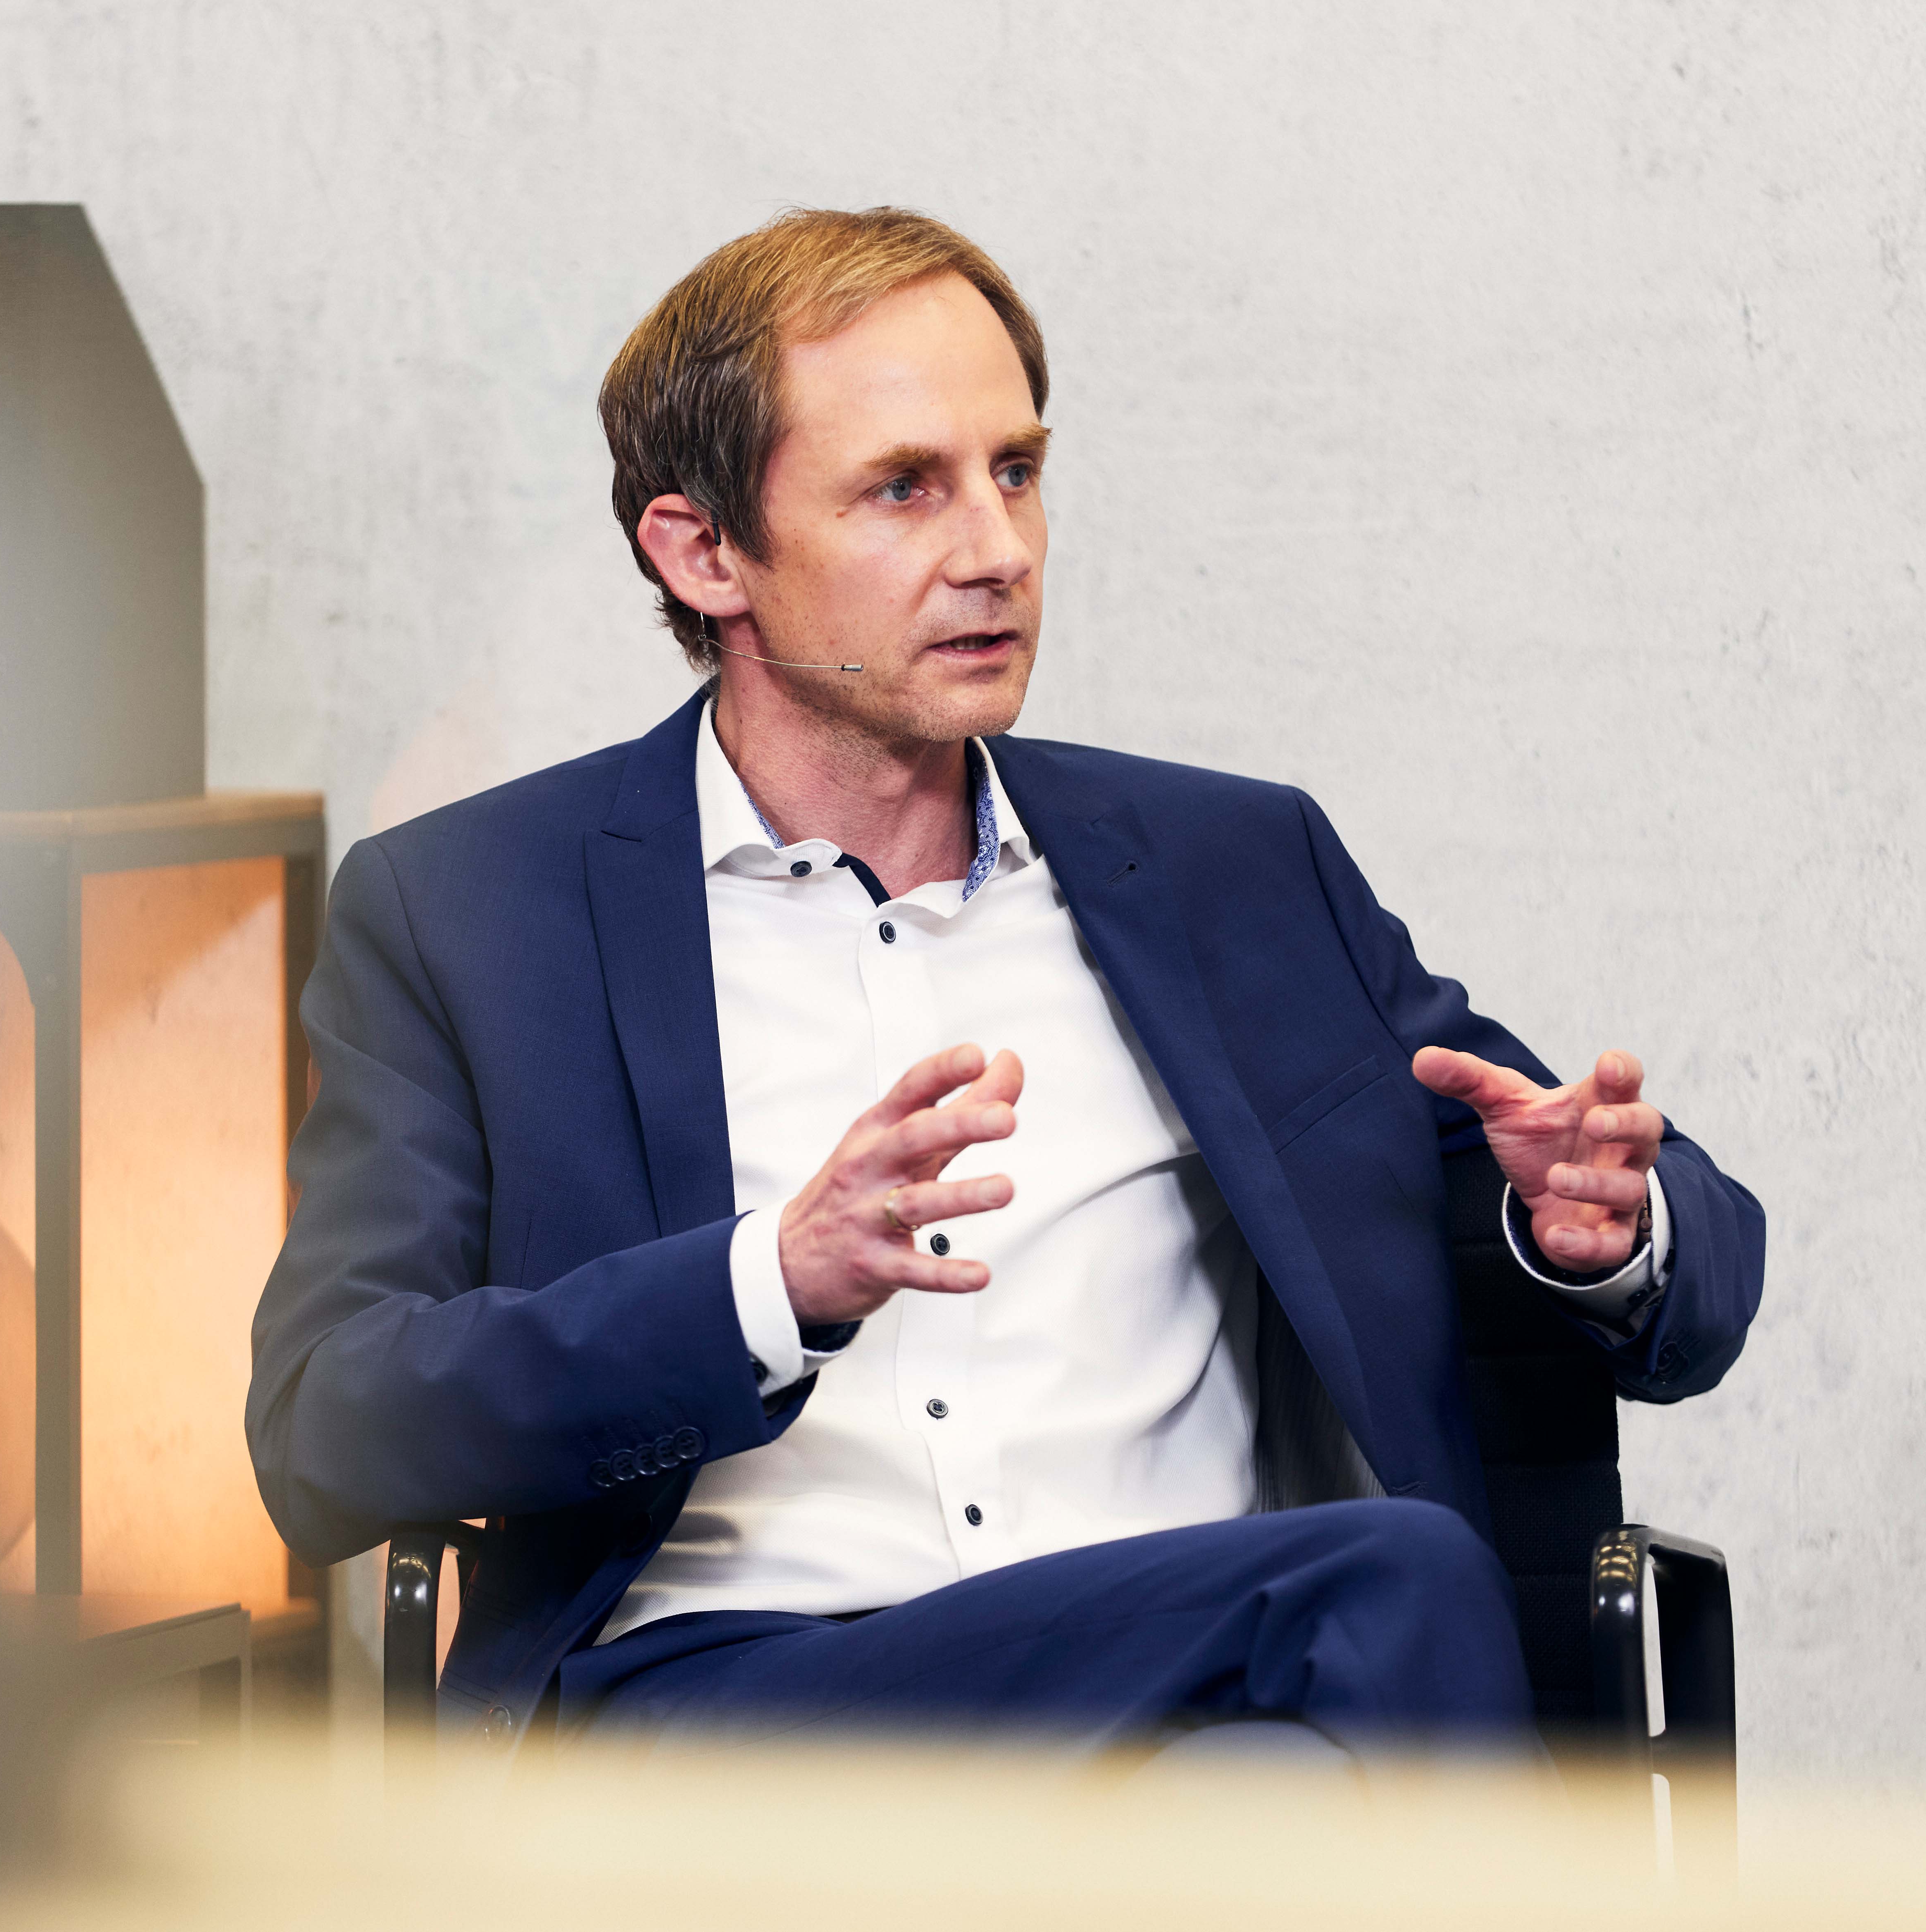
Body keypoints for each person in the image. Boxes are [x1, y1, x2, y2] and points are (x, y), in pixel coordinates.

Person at [245, 208, 1765, 1768]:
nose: (997, 550)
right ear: (705, 553)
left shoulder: (1232, 868)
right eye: (906, 487)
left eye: (1017, 471)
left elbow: (1690, 1264)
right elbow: (321, 1424)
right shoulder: (471, 911)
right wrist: (767, 1285)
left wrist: (1608, 1226)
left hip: (1187, 1697)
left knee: (1286, 1761)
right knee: (1393, 1582)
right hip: (736, 1723)